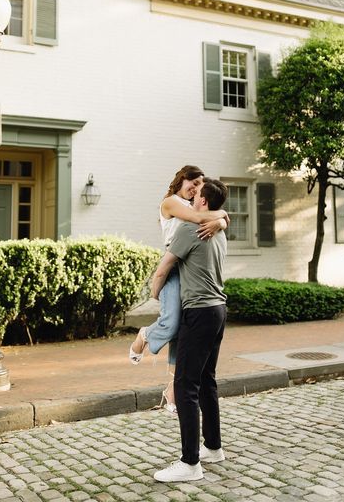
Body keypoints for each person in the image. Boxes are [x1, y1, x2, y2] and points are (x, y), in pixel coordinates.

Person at [129, 165, 228, 413]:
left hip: (189, 267)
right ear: (181, 180)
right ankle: (146, 335)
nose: (194, 190)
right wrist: (221, 218)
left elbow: (210, 216)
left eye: (198, 186)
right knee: (171, 324)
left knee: (183, 332)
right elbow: (197, 218)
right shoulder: (170, 203)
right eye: (192, 184)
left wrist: (221, 222)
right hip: (173, 266)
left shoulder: (196, 205)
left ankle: (172, 389)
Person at [151, 178, 228, 483]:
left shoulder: (190, 229)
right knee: (206, 380)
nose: (192, 199)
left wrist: (156, 293)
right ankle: (213, 446)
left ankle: (190, 462)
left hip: (198, 313)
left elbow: (164, 267)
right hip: (219, 310)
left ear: (204, 203)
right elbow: (220, 219)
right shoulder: (219, 231)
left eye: (197, 196)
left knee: (185, 386)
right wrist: (220, 220)